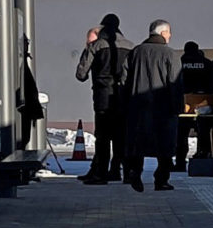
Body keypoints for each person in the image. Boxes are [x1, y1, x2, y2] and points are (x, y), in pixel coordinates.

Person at [124, 20, 185, 191]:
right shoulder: (170, 54)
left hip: (138, 107)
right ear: (163, 33)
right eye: (169, 32)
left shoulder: (135, 52)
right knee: (165, 145)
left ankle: (135, 172)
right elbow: (175, 82)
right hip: (163, 108)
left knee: (138, 143)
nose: (170, 36)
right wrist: (177, 107)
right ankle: (161, 179)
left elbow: (123, 79)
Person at [75, 15, 133, 185]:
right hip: (123, 98)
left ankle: (100, 173)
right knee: (121, 136)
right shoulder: (130, 47)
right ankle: (120, 171)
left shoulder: (96, 46)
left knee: (103, 137)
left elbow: (81, 74)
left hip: (102, 97)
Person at [177, 41, 213, 165]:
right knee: (204, 131)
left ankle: (180, 161)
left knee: (181, 134)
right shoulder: (206, 64)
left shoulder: (180, 63)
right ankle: (204, 157)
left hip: (184, 102)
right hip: (203, 102)